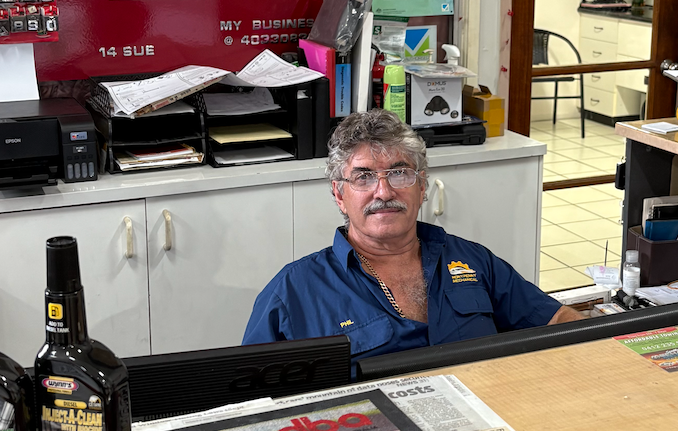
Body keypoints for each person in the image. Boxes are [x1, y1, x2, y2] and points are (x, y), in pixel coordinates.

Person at [243, 109, 583, 358]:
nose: (384, 191)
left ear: (422, 187)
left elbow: (559, 320)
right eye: (363, 177)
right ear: (339, 195)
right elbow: (250, 398)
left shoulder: (471, 260)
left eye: (400, 173)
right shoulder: (292, 293)